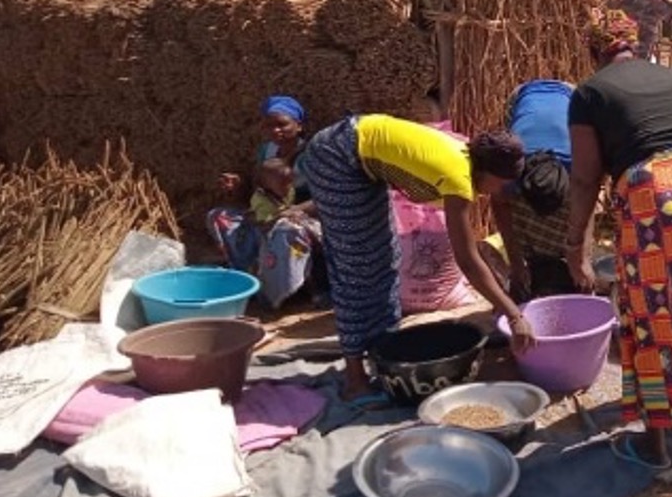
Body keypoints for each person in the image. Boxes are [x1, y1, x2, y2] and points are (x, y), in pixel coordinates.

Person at [564, 11, 672, 470]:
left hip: (651, 194)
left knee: (653, 314)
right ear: (633, 43)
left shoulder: (589, 94)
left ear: (595, 51)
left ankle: (656, 445)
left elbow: (583, 178)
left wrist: (574, 245)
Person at [297, 113, 535, 400]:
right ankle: (355, 379)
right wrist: (513, 313)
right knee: (357, 266)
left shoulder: (470, 163)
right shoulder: (457, 176)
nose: (503, 191)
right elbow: (468, 259)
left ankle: (384, 357)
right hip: (336, 155)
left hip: (363, 163)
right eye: (504, 184)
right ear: (488, 173)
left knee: (386, 258)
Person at [206, 95, 323, 309]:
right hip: (268, 214)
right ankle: (249, 277)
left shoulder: (313, 155)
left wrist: (294, 210)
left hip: (303, 217)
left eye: (282, 124)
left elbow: (327, 197)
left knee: (286, 230)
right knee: (219, 216)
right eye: (269, 126)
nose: (275, 131)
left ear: (299, 125)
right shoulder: (266, 151)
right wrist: (238, 186)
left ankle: (280, 292)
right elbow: (257, 190)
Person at [474, 79, 578, 302]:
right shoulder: (512, 167)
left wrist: (580, 259)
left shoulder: (578, 166)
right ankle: (533, 264)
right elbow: (499, 204)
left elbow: (586, 212)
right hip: (521, 96)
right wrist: (515, 261)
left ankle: (556, 261)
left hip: (570, 95)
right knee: (515, 208)